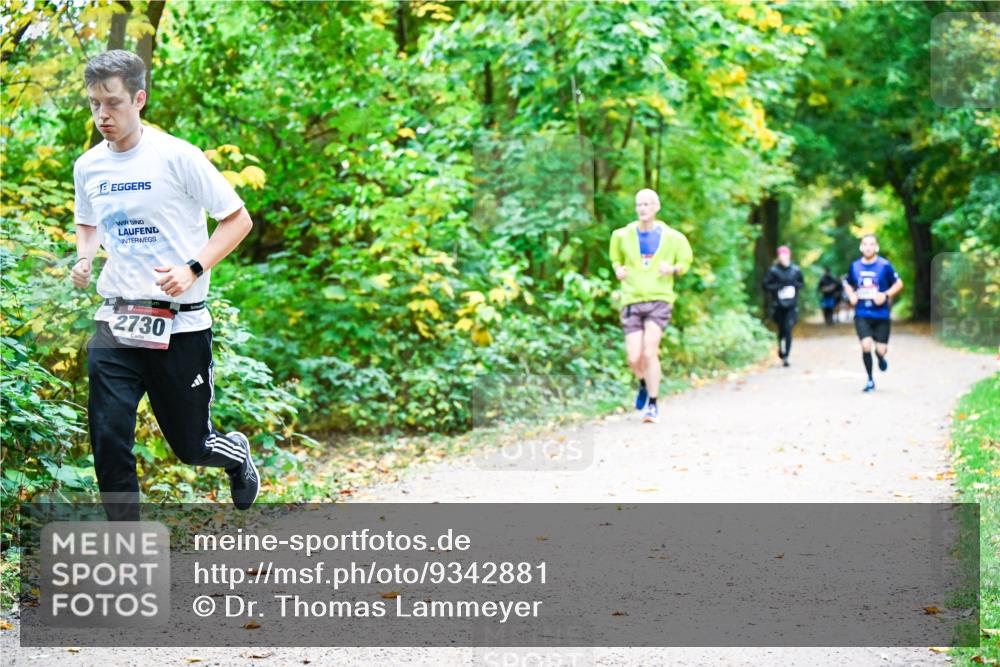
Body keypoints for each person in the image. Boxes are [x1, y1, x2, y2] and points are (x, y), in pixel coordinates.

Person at [70, 50, 259, 517]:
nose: (102, 115)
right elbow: (88, 221)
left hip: (181, 326)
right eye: (94, 103)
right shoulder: (89, 166)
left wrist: (192, 268)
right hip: (117, 319)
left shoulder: (177, 156)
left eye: (112, 103)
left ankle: (234, 456)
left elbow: (238, 220)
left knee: (191, 446)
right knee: (109, 437)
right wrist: (84, 256)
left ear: (139, 99)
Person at [609, 189, 693, 424]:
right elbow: (615, 258)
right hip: (632, 299)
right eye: (639, 204)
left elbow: (686, 261)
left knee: (649, 351)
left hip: (659, 299)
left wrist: (673, 269)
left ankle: (653, 405)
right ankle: (644, 382)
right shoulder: (622, 235)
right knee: (634, 357)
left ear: (657, 207)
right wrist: (618, 269)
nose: (642, 208)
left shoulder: (673, 237)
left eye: (647, 204)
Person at [842, 234, 904, 392]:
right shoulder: (854, 266)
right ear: (861, 247)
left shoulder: (884, 265)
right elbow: (847, 283)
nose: (868, 247)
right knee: (865, 345)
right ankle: (870, 379)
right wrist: (851, 295)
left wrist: (886, 295)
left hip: (881, 315)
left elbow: (898, 283)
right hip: (862, 313)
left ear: (876, 247)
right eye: (865, 244)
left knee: (880, 349)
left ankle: (881, 357)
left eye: (871, 244)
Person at [762, 246, 804, 367]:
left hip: (791, 306)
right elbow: (765, 286)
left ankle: (786, 356)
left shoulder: (795, 270)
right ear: (778, 257)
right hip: (778, 306)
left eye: (785, 255)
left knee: (788, 329)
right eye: (781, 255)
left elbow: (801, 284)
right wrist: (778, 287)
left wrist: (793, 285)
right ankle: (781, 349)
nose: (783, 257)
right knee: (781, 330)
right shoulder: (773, 271)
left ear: (789, 256)